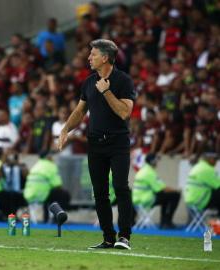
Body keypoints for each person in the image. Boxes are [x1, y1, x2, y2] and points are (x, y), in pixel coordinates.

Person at [58, 39, 135, 249]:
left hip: (118, 143)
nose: (89, 58)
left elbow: (124, 112)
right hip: (96, 144)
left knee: (121, 187)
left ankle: (124, 237)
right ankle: (108, 238)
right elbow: (80, 111)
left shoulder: (123, 81)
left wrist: (106, 91)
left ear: (105, 58)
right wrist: (65, 129)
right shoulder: (89, 82)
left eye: (93, 54)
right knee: (100, 192)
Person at [132, 153, 181, 229]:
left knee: (166, 198)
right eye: (156, 160)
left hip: (137, 199)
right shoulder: (149, 172)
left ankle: (164, 222)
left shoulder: (143, 170)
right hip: (145, 200)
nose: (157, 162)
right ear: (152, 161)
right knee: (175, 195)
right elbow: (162, 189)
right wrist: (176, 190)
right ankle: (167, 222)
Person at [23, 151, 70, 222]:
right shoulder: (51, 165)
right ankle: (56, 219)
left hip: (29, 195)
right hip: (42, 195)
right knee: (64, 194)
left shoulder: (35, 165)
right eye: (51, 156)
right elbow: (57, 185)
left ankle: (46, 218)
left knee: (49, 194)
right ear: (48, 157)